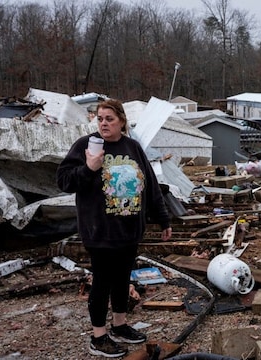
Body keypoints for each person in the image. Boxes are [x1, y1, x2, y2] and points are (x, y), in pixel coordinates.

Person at [56, 99, 172, 358]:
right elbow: (63, 181)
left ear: (121, 121)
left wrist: (163, 219)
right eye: (100, 118)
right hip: (99, 230)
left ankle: (119, 325)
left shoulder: (133, 147)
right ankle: (98, 336)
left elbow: (151, 186)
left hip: (129, 229)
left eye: (109, 118)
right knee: (102, 282)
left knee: (122, 279)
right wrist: (89, 168)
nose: (104, 123)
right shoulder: (86, 146)